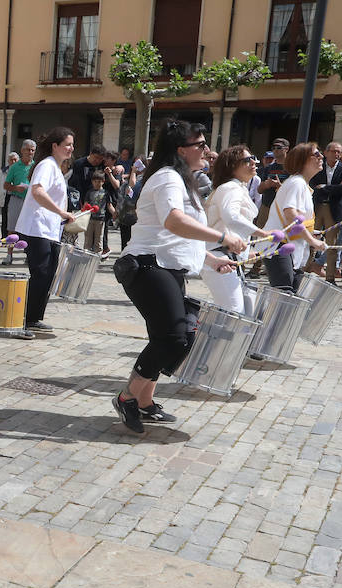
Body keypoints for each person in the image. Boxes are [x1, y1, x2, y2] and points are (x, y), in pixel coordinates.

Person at [111, 120, 244, 435]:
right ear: (180, 150)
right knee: (174, 336)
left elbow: (181, 237)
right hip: (146, 265)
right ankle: (127, 396)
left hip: (165, 265)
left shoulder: (183, 182)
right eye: (200, 144)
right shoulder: (168, 178)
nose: (207, 150)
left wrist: (211, 259)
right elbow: (173, 221)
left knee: (169, 337)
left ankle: (145, 401)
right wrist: (222, 237)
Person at [16, 127, 77, 334]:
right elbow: (37, 191)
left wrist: (65, 214)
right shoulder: (46, 165)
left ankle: (33, 317)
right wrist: (61, 212)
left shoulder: (56, 169)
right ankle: (22, 319)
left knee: (48, 274)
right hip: (36, 228)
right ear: (55, 146)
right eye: (67, 144)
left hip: (50, 230)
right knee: (40, 273)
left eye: (71, 144)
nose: (71, 148)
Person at [202, 145, 268, 313]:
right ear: (232, 166)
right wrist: (262, 233)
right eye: (247, 160)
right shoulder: (231, 187)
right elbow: (231, 217)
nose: (253, 162)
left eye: (253, 158)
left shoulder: (236, 187)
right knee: (233, 315)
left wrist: (250, 252)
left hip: (226, 258)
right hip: (219, 257)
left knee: (235, 316)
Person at [267, 141, 328, 292]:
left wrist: (311, 232)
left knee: (291, 295)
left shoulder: (303, 185)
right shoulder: (297, 183)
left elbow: (297, 222)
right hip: (278, 246)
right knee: (284, 295)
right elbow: (291, 216)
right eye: (316, 154)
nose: (321, 156)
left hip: (287, 247)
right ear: (303, 160)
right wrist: (312, 240)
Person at [310, 141, 342, 281]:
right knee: (311, 239)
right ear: (326, 152)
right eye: (334, 151)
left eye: (339, 152)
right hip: (318, 206)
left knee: (332, 243)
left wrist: (325, 188)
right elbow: (312, 184)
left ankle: (330, 277)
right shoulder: (319, 167)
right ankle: (305, 270)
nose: (336, 154)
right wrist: (334, 187)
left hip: (334, 208)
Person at [3, 141, 35, 264]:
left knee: (30, 230)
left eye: (32, 150)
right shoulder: (15, 167)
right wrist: (16, 188)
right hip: (16, 199)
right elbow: (6, 185)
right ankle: (9, 255)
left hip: (30, 201)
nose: (30, 152)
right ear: (22, 150)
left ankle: (29, 254)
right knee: (11, 228)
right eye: (28, 149)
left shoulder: (36, 166)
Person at [254, 138, 290, 228]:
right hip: (267, 206)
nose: (275, 150)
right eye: (273, 147)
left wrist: (280, 186)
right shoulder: (268, 168)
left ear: (286, 149)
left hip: (283, 208)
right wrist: (267, 184)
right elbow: (259, 190)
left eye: (278, 147)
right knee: (261, 233)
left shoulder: (292, 168)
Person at [83, 170, 111, 255]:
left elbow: (109, 205)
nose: (97, 183)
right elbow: (85, 204)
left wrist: (114, 213)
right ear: (92, 182)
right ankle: (86, 254)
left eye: (99, 181)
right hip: (90, 219)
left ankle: (97, 255)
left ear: (103, 181)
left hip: (100, 219)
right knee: (88, 238)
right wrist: (86, 208)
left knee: (98, 239)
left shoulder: (105, 193)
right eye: (95, 181)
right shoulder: (89, 192)